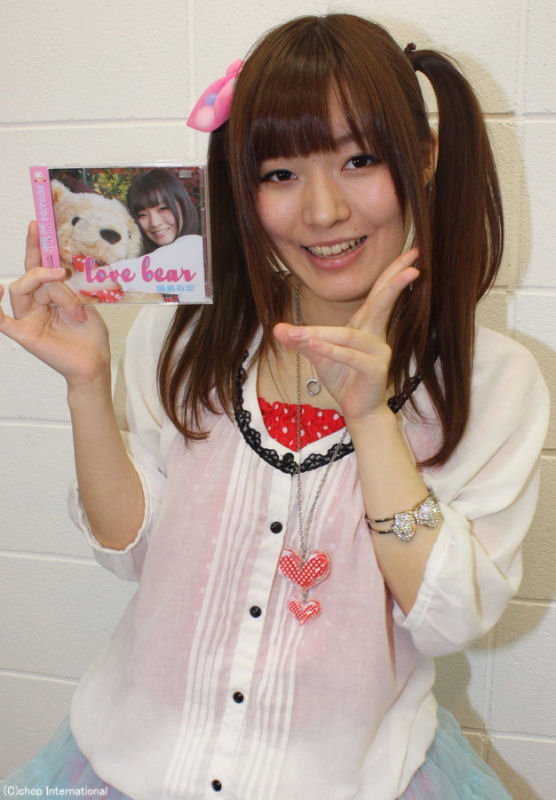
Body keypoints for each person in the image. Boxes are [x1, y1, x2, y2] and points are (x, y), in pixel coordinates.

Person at [0, 13, 549, 800]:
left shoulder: (493, 382)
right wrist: (86, 385)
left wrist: (373, 419)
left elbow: (448, 620)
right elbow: (130, 553)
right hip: (133, 756)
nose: (322, 211)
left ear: (424, 157)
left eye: (360, 159)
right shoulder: (181, 338)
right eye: (280, 173)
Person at [126, 167, 199, 252]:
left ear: (182, 204)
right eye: (142, 215)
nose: (154, 223)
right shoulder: (140, 260)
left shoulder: (203, 251)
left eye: (162, 208)